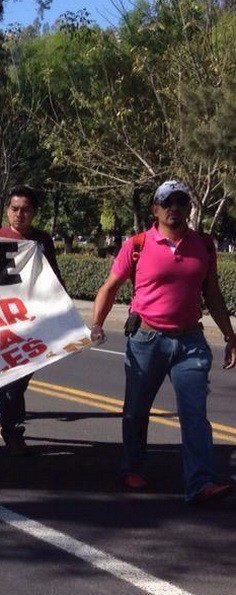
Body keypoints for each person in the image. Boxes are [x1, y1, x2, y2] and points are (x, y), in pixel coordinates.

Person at [90, 180, 235, 502]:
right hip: (146, 339)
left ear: (189, 208)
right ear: (155, 209)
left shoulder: (205, 245)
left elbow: (212, 294)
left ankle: (200, 483)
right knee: (136, 411)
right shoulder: (138, 244)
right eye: (166, 202)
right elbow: (109, 287)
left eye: (181, 202)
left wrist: (230, 335)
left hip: (191, 343)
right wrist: (97, 325)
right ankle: (132, 466)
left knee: (194, 413)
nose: (174, 208)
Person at [0, 186, 62, 456]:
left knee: (18, 378)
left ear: (34, 212)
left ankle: (0, 417)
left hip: (32, 322)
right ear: (7, 211)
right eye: (15, 209)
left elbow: (53, 278)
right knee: (5, 376)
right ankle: (12, 428)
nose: (20, 214)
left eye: (25, 209)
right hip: (0, 321)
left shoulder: (42, 240)